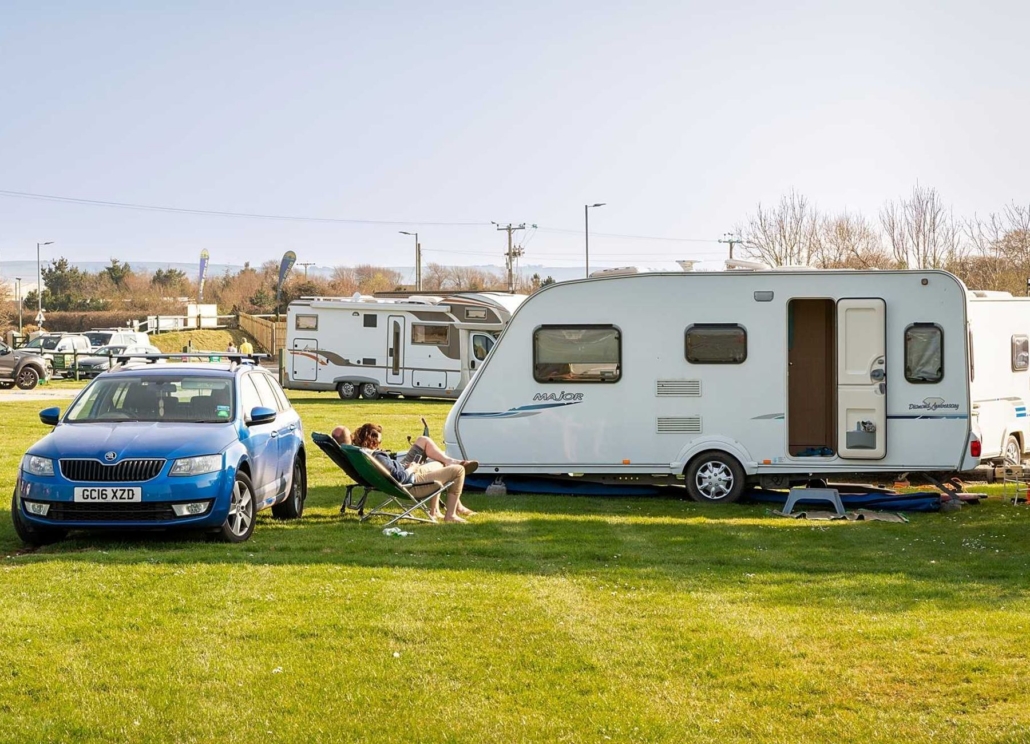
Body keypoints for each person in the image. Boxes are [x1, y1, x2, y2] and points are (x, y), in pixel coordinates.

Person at [351, 422, 478, 523]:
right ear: (371, 440)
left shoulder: (365, 454)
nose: (380, 445)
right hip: (412, 484)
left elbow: (395, 473)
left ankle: (435, 511)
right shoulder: (378, 457)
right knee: (459, 470)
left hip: (404, 474)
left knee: (438, 462)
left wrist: (407, 467)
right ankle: (451, 515)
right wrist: (412, 468)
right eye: (379, 442)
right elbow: (401, 478)